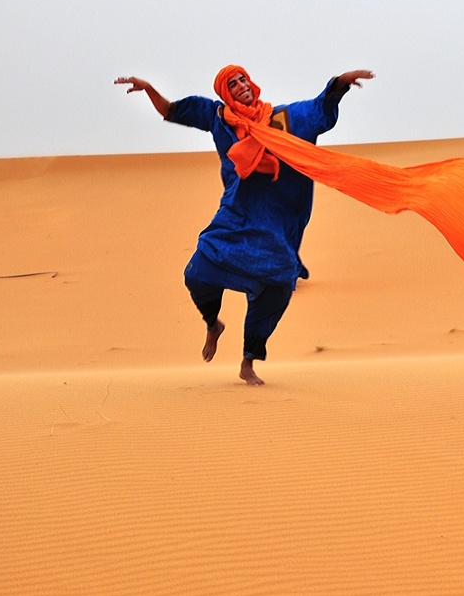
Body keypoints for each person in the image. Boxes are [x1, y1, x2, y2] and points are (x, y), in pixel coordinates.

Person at [115, 66, 374, 385]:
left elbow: (319, 109)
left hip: (276, 218)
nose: (240, 86)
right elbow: (171, 111)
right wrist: (149, 88)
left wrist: (339, 85)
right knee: (197, 274)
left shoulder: (280, 119)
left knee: (278, 287)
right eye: (232, 84)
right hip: (237, 213)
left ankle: (248, 361)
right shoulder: (217, 118)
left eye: (243, 80)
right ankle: (213, 323)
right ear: (225, 92)